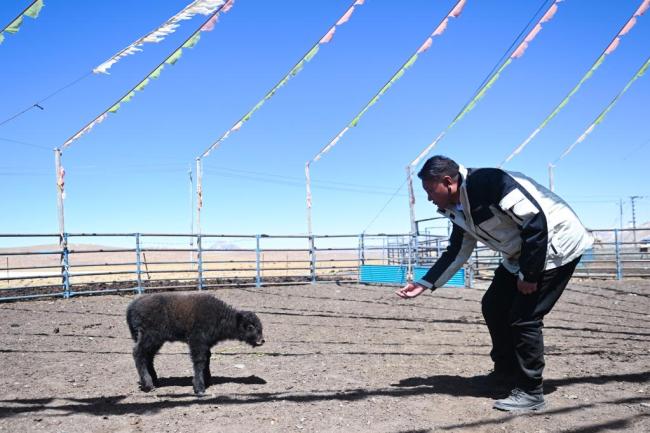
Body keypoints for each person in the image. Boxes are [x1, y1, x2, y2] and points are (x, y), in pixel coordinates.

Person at [396, 155, 592, 412]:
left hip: (556, 247)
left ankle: (531, 391)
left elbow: (536, 222)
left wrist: (530, 275)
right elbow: (457, 250)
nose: (429, 198)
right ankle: (505, 374)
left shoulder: (489, 183)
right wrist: (424, 283)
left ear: (447, 182)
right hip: (522, 254)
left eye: (430, 190)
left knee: (525, 317)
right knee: (494, 305)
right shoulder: (458, 208)